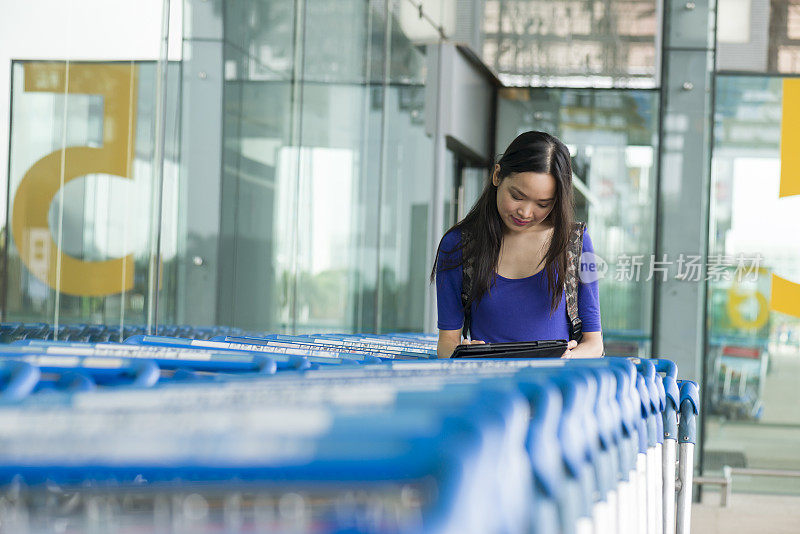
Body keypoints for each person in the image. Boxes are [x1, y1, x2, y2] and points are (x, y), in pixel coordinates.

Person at [432, 131, 603, 359]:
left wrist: (569, 357)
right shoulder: (458, 246)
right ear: (497, 176)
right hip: (491, 388)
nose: (525, 212)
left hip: (555, 388)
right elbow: (446, 343)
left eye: (543, 204)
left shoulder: (576, 244)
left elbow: (594, 344)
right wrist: (464, 354)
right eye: (517, 196)